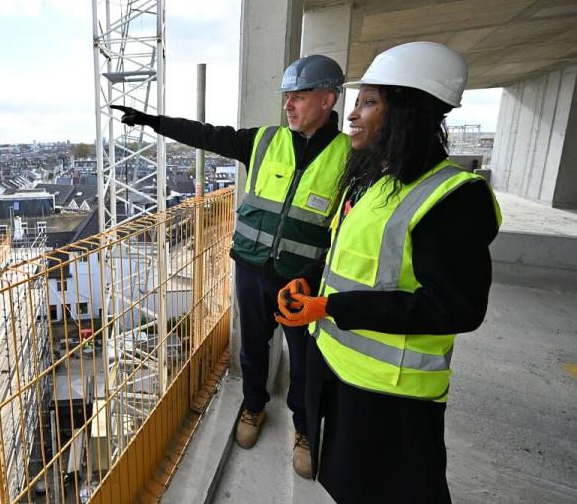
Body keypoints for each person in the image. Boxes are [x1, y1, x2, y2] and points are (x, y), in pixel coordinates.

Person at [274, 42, 501, 502]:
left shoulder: (453, 198)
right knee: (344, 484)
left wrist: (330, 306)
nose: (353, 115)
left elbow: (454, 308)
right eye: (357, 102)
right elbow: (354, 258)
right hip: (340, 371)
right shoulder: (376, 182)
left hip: (390, 394)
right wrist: (312, 280)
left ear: (409, 112)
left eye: (370, 102)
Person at [111, 55, 350, 478]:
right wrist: (152, 120)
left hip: (303, 280)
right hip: (253, 269)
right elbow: (206, 135)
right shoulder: (263, 141)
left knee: (306, 358)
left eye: (299, 96)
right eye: (286, 97)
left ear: (328, 99)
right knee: (252, 346)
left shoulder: (350, 158)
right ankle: (254, 407)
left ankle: (305, 429)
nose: (288, 106)